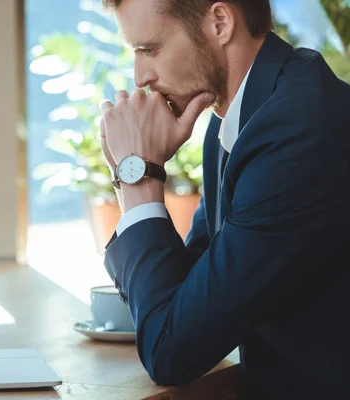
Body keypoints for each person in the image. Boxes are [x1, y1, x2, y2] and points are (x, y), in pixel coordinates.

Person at [98, 0, 350, 398]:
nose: (140, 77)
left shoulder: (294, 132)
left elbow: (173, 351)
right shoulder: (244, 115)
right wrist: (135, 173)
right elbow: (191, 297)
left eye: (150, 49)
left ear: (219, 22)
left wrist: (138, 178)